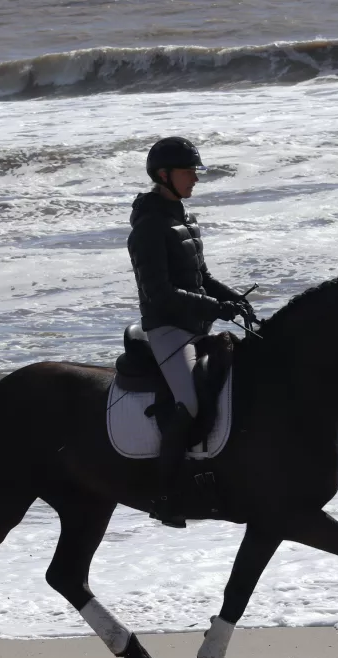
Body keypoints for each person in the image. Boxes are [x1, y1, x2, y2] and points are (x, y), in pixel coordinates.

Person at [127, 136, 255, 528]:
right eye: (187, 173)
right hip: (168, 330)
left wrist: (234, 298)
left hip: (198, 326)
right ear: (163, 175)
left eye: (194, 173)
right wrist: (216, 308)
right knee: (191, 403)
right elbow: (161, 294)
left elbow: (201, 278)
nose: (194, 180)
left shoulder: (184, 218)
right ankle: (165, 497)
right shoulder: (149, 227)